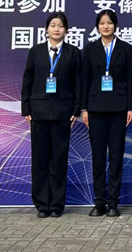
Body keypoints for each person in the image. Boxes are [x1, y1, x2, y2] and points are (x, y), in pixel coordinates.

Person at [21, 12, 82, 218]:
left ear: (66, 30)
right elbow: (27, 81)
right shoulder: (35, 51)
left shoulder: (73, 53)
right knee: (40, 160)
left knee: (59, 160)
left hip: (63, 113)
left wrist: (75, 110)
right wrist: (26, 109)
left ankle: (56, 204)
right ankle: (41, 204)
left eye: (61, 26)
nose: (57, 29)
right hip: (38, 112)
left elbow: (78, 83)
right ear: (46, 29)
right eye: (53, 25)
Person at [81, 9, 132, 218]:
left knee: (116, 157)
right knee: (98, 158)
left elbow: (130, 79)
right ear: (97, 27)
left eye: (109, 23)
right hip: (95, 109)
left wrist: (130, 107)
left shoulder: (125, 48)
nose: (106, 26)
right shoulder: (90, 48)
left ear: (115, 26)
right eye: (102, 23)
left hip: (119, 109)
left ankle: (113, 202)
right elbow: (85, 79)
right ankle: (99, 202)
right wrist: (84, 108)